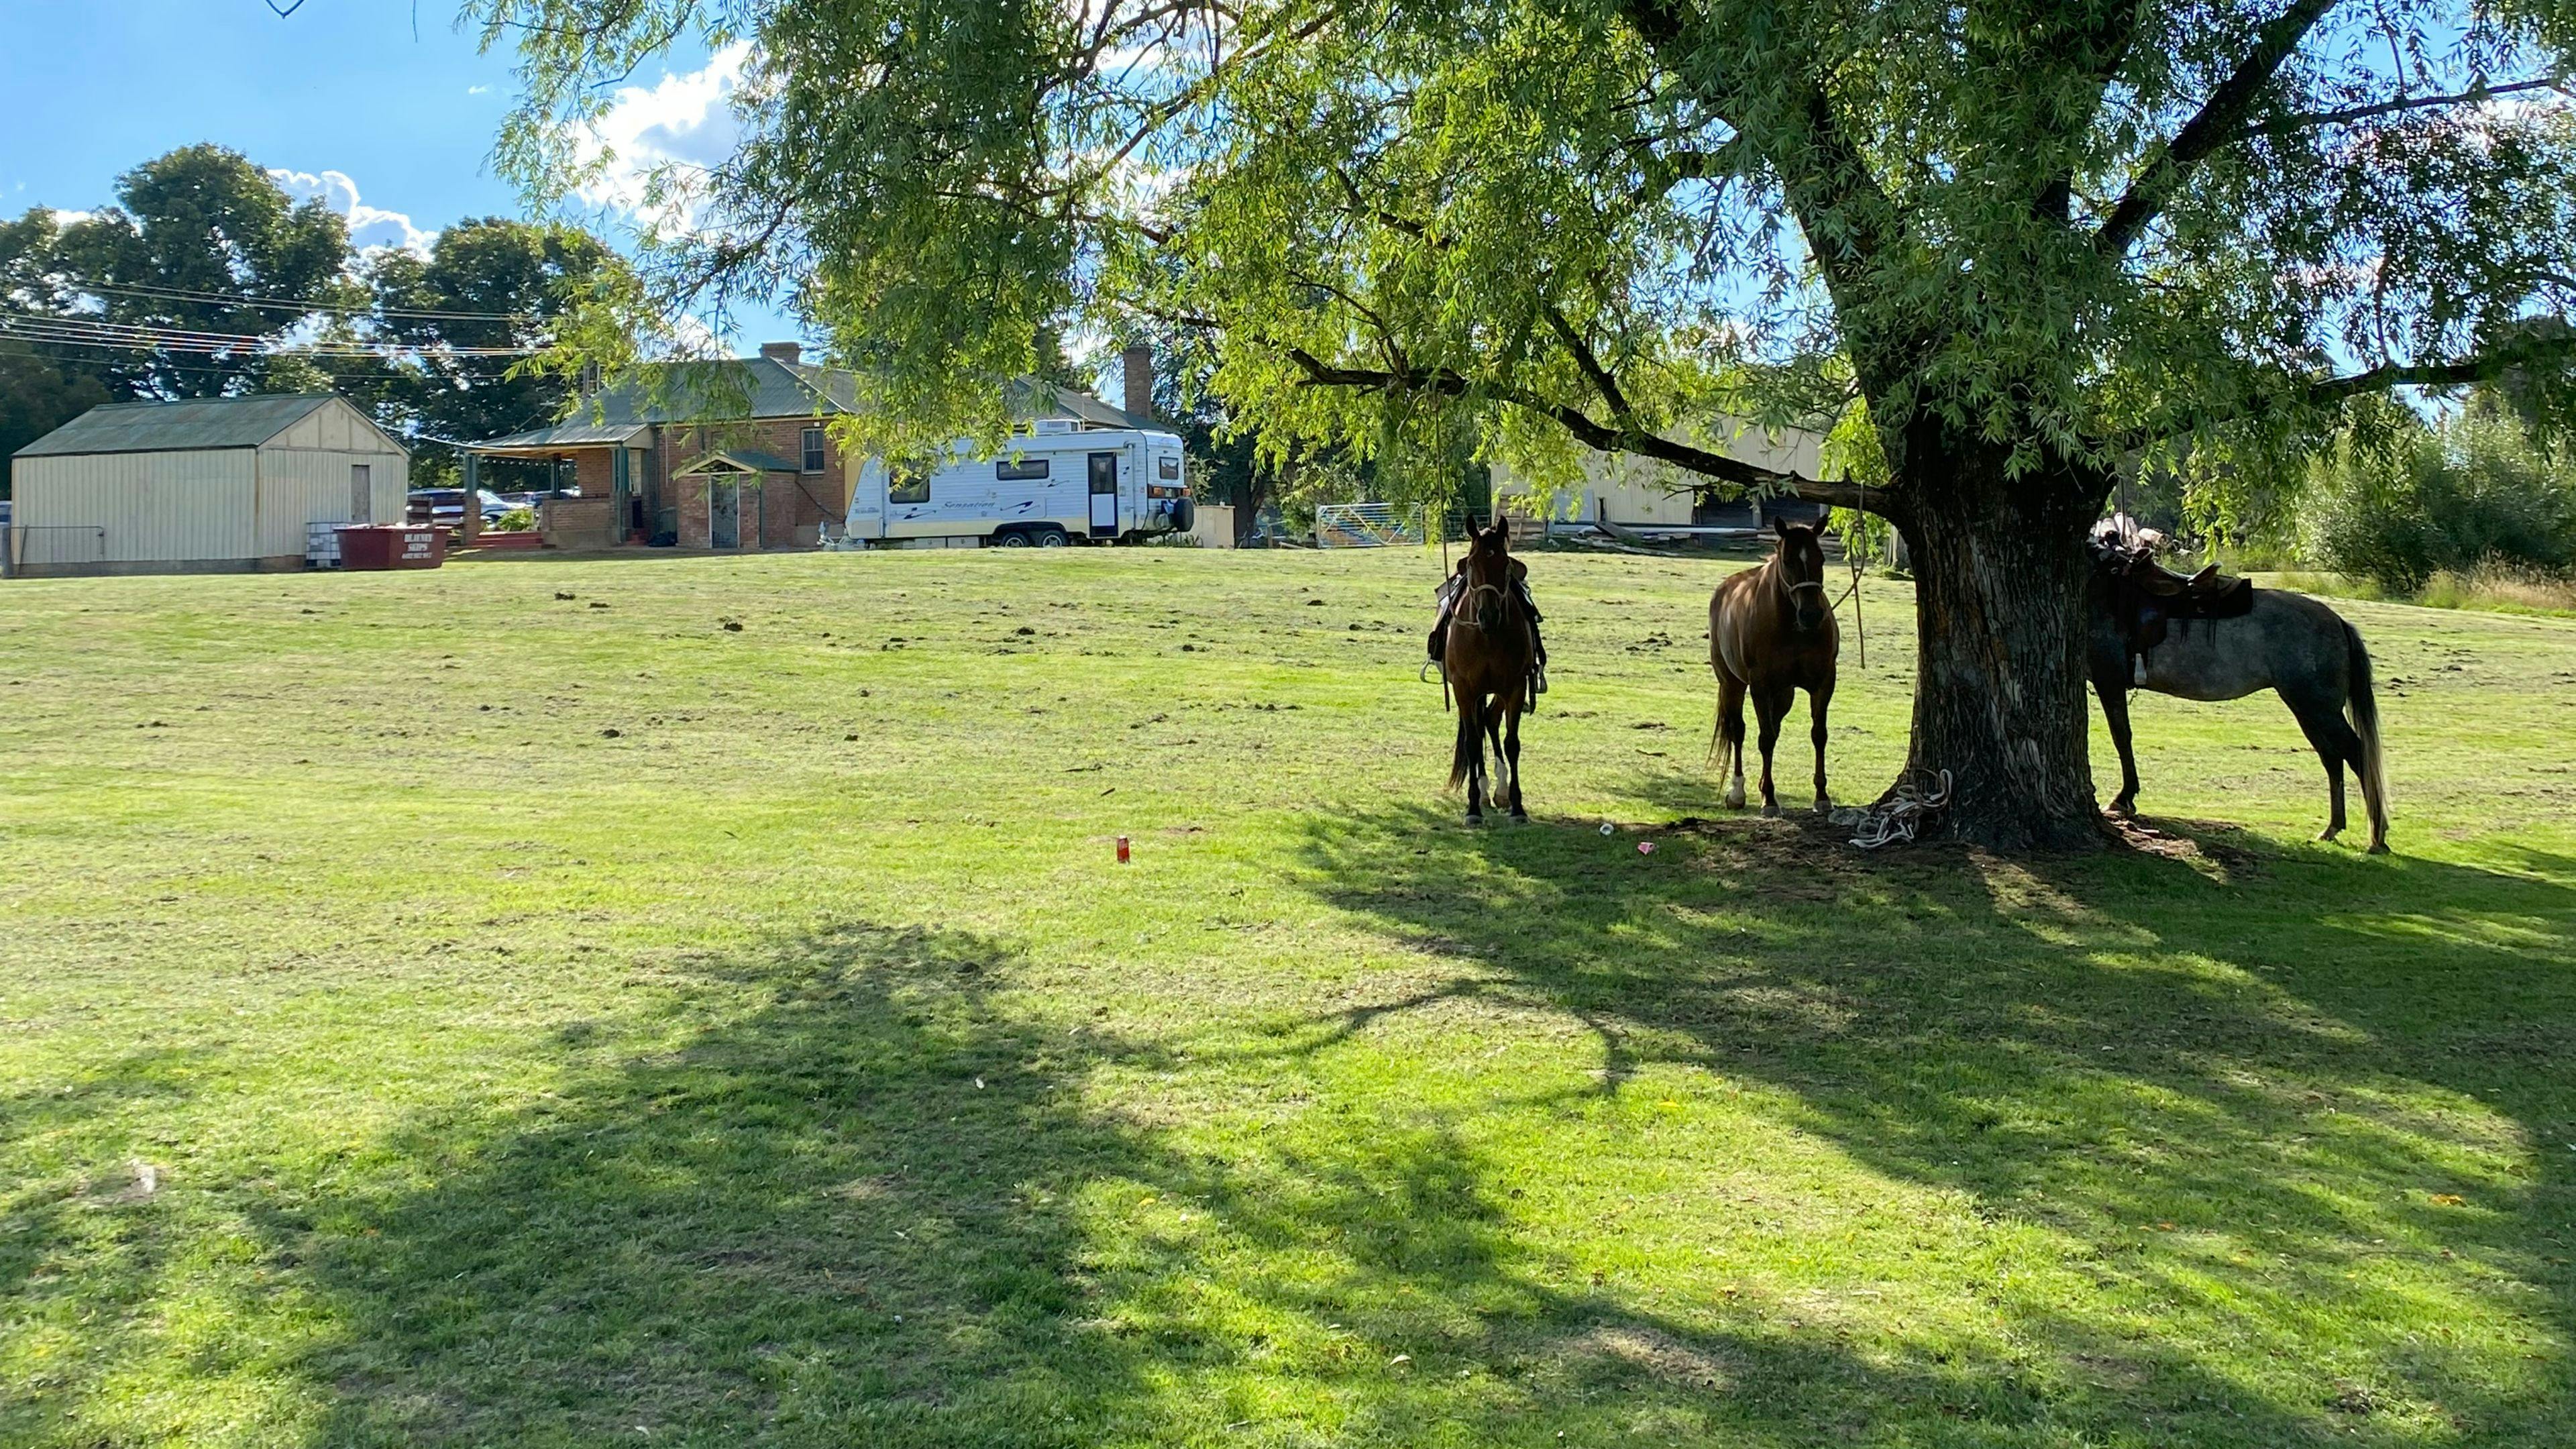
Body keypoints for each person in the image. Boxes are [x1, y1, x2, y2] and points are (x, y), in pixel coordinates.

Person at [1426, 552, 1548, 692]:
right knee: (1447, 599)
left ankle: (1533, 658)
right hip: (1475, 558)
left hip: (1500, 561)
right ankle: (1437, 649)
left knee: (1525, 603)